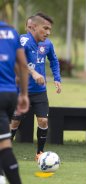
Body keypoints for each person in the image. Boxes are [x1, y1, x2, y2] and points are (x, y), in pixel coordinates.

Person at [10, 12, 62, 161]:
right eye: (45, 28)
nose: (48, 32)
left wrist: (57, 78)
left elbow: (53, 61)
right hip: (21, 91)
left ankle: (40, 153)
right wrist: (33, 73)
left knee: (43, 121)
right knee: (14, 122)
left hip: (40, 91)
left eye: (49, 29)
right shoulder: (23, 40)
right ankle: (5, 152)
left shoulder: (48, 44)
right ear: (33, 27)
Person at [0, 20, 30, 184]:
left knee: (4, 145)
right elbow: (22, 66)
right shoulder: (11, 32)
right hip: (9, 94)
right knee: (3, 144)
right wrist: (24, 94)